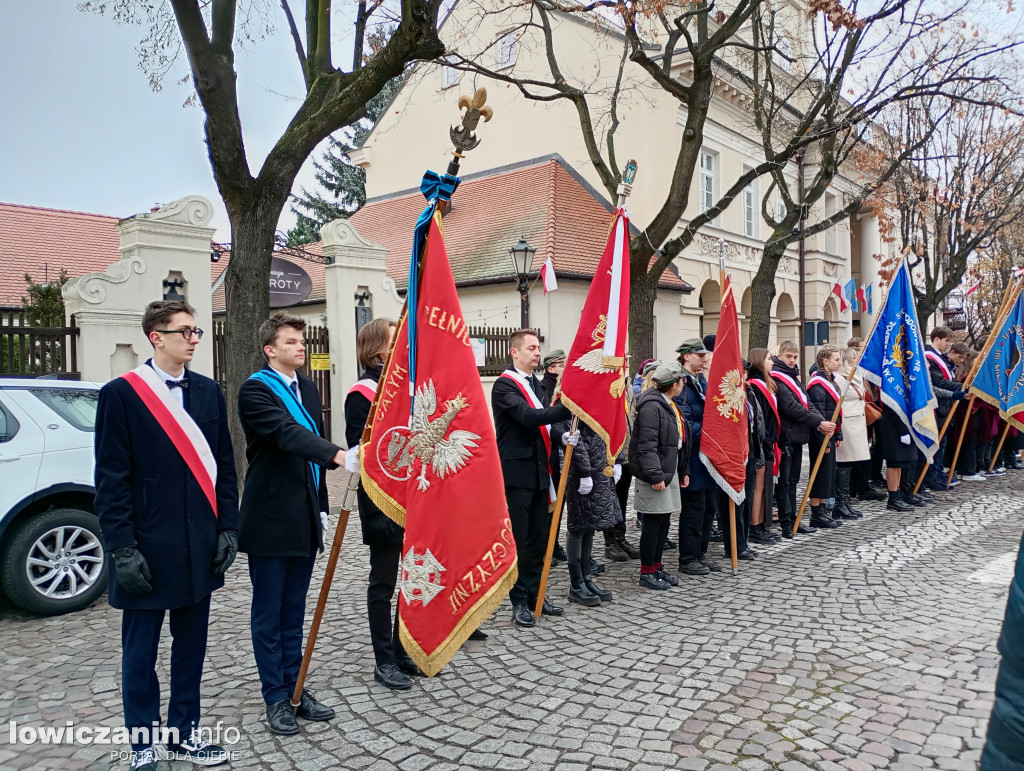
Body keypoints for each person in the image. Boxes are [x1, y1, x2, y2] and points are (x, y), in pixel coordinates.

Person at [95, 300, 237, 771]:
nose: (195, 339)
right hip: (146, 549)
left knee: (191, 649)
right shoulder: (121, 394)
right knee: (140, 655)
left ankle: (184, 734)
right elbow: (111, 479)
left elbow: (225, 469)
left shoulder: (208, 392)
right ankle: (142, 744)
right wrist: (121, 548)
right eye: (186, 331)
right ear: (156, 337)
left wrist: (227, 529)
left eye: (197, 332)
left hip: (198, 548)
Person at [237, 312, 342, 734]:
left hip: (303, 516)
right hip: (269, 517)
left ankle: (296, 686)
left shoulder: (309, 388)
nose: (301, 347)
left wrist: (320, 505)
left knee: (294, 610)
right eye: (291, 341)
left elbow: (306, 457)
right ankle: (275, 695)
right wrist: (337, 454)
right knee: (269, 611)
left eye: (302, 340)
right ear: (270, 349)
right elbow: (285, 434)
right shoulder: (255, 390)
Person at [341, 317, 424, 693]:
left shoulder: (405, 388)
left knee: (411, 577)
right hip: (382, 498)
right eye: (396, 341)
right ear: (378, 349)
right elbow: (366, 449)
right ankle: (383, 658)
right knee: (384, 580)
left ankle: (403, 646)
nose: (404, 346)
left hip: (415, 494)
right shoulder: (362, 393)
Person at [492, 329, 572, 627]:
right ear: (515, 352)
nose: (537, 353)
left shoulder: (537, 383)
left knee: (540, 540)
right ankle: (519, 600)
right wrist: (564, 410)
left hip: (542, 472)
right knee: (521, 541)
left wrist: (563, 433)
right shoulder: (504, 386)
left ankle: (538, 593)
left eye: (539, 348)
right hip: (517, 474)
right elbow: (527, 417)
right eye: (531, 348)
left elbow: (546, 425)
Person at [630, 361, 689, 590]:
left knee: (663, 522)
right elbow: (647, 445)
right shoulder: (652, 407)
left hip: (667, 471)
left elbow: (680, 441)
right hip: (654, 474)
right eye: (682, 381)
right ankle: (647, 572)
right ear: (674, 385)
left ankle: (657, 566)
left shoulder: (667, 404)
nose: (683, 384)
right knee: (653, 525)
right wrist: (655, 476)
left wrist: (683, 470)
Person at [771, 341, 837, 537]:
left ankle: (794, 521)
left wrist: (822, 421)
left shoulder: (793, 377)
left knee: (793, 480)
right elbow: (792, 408)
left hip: (798, 436)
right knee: (785, 482)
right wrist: (819, 422)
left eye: (794, 357)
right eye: (788, 356)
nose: (792, 360)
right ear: (780, 355)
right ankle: (785, 522)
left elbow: (807, 403)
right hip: (786, 436)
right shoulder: (779, 378)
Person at [553, 420, 620, 605]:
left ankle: (587, 579)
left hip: (598, 465)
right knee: (577, 527)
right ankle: (576, 585)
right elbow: (574, 435)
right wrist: (584, 471)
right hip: (581, 471)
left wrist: (617, 460)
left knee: (590, 525)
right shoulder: (571, 400)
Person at [675, 338, 721, 575]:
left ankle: (700, 554)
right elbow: (684, 422)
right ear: (685, 356)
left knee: (708, 508)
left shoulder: (700, 381)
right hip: (692, 456)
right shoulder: (680, 383)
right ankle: (688, 557)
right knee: (694, 509)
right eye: (699, 354)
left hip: (706, 454)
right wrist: (713, 431)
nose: (704, 358)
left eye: (704, 355)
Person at [718, 364, 764, 561]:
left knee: (746, 502)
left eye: (745, 371)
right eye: (739, 371)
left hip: (751, 454)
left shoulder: (750, 392)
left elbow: (756, 423)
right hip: (734, 457)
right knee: (734, 504)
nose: (743, 375)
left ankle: (743, 541)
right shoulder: (729, 395)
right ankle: (735, 545)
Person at [604, 355, 642, 563]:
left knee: (623, 498)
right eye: (622, 361)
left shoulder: (627, 385)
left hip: (627, 452)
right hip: (612, 454)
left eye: (628, 360)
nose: (626, 364)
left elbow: (632, 415)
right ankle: (610, 541)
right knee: (610, 499)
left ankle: (621, 536)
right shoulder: (607, 385)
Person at [924, 326, 967, 491]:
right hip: (936, 407)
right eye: (946, 340)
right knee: (936, 443)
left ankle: (937, 473)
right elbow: (938, 382)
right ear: (936, 339)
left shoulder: (941, 358)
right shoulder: (930, 358)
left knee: (942, 444)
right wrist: (963, 387)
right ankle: (932, 477)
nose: (948, 344)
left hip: (945, 407)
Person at [745, 349, 781, 545]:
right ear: (759, 361)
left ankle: (760, 524)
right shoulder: (755, 386)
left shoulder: (766, 384)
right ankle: (755, 526)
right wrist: (767, 441)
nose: (772, 362)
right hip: (760, 442)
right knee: (758, 486)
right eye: (769, 359)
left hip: (768, 441)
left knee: (764, 485)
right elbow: (760, 418)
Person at [806, 345, 844, 529]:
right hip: (821, 436)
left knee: (827, 474)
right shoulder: (817, 384)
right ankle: (816, 513)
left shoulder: (832, 380)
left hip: (830, 434)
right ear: (825, 361)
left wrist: (838, 434)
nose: (839, 363)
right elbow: (820, 414)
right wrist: (825, 439)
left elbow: (836, 412)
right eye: (836, 360)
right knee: (820, 474)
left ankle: (822, 510)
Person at [833, 346, 869, 519]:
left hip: (856, 423)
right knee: (844, 463)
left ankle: (845, 501)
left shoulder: (855, 375)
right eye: (854, 358)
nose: (857, 360)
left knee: (850, 463)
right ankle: (841, 503)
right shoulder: (840, 378)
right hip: (847, 423)